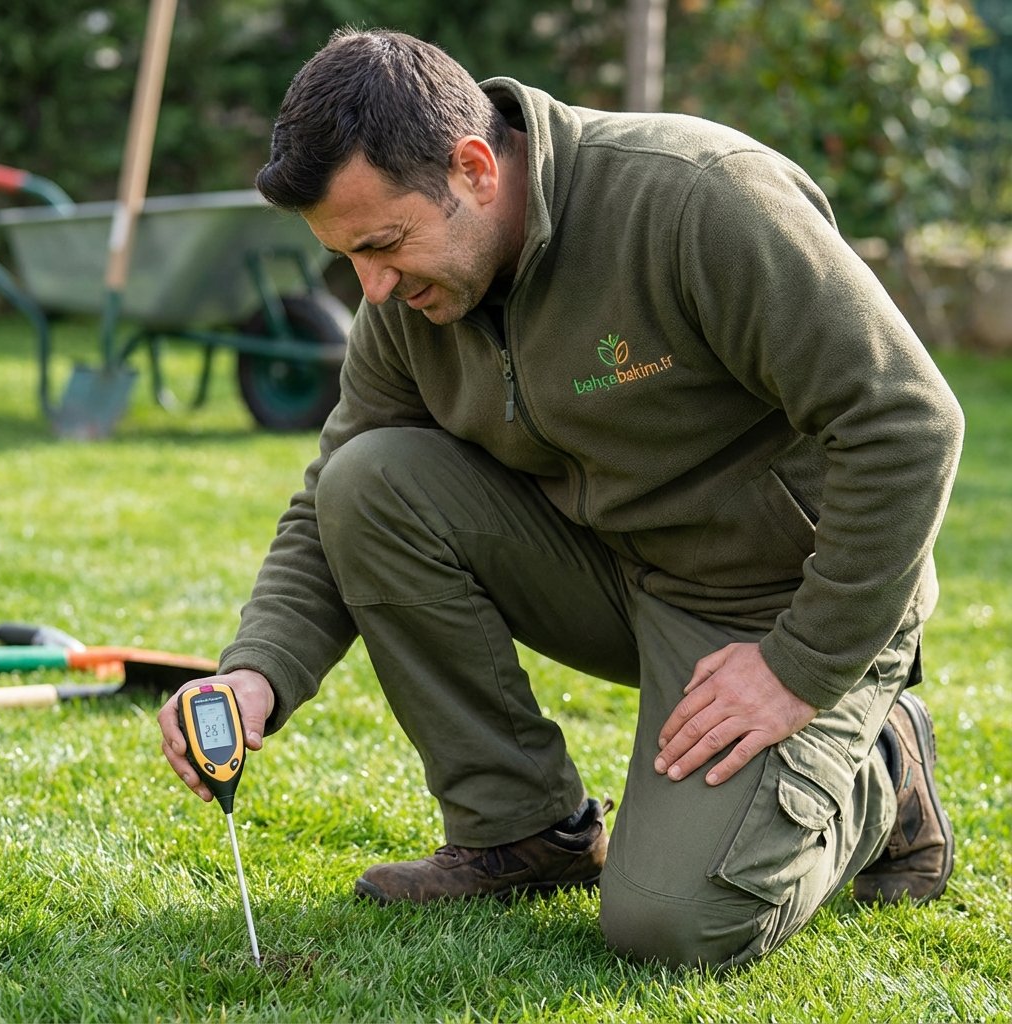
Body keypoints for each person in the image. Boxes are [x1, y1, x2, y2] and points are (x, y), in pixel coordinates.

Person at [158, 27, 964, 970]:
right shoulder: (405, 304)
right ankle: (522, 832)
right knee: (368, 479)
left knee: (672, 925)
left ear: (473, 168)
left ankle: (886, 770)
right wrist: (258, 670)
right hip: (611, 570)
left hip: (771, 605)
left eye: (383, 246)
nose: (371, 290)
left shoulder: (697, 199)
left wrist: (801, 664)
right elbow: (330, 501)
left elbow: (907, 422)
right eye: (348, 260)